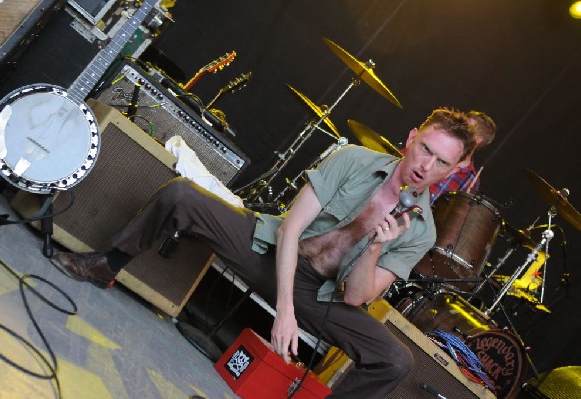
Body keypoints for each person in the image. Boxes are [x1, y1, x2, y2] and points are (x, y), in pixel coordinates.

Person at [55, 107, 476, 398]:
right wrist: (285, 313)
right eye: (425, 149)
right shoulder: (354, 160)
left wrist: (377, 248)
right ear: (410, 139)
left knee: (395, 361)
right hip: (269, 250)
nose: (426, 165)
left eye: (441, 162)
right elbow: (291, 228)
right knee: (182, 195)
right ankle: (105, 265)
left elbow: (354, 298)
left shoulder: (421, 230)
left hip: (321, 295)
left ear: (452, 172)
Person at [428, 110, 496, 204]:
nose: (459, 128)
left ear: (477, 140)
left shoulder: (472, 181)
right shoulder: (437, 148)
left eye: (466, 127)